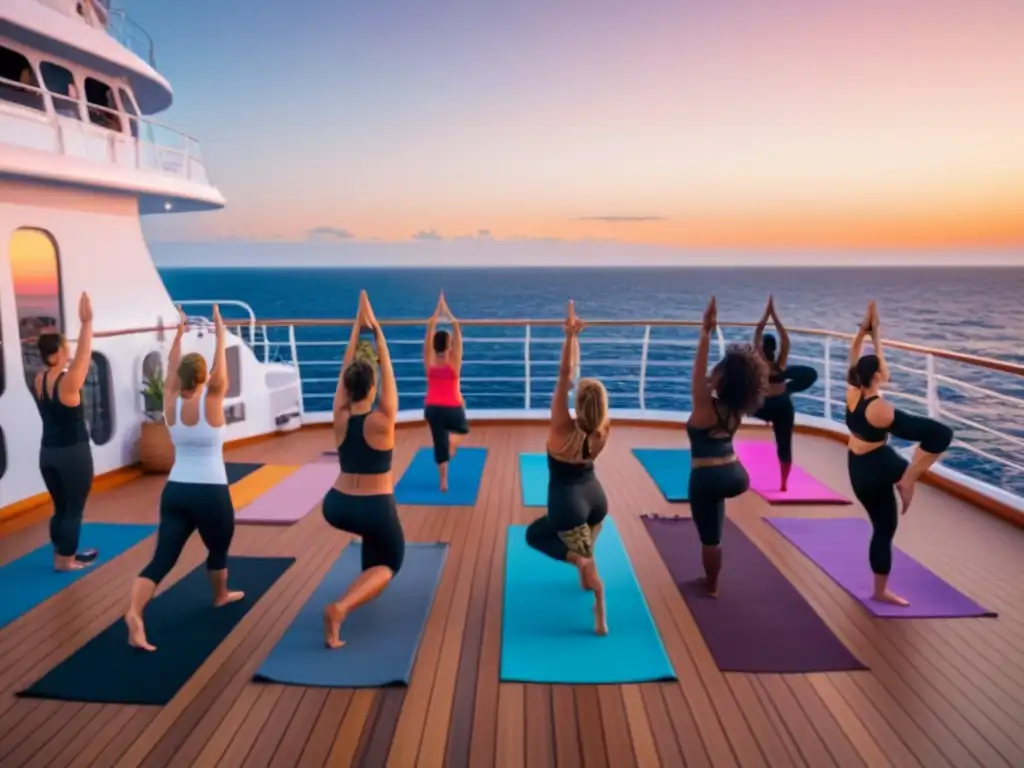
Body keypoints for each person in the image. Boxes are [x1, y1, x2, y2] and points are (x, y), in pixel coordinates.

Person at [125, 306, 242, 651]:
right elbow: (221, 368)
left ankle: (134, 612)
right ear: (204, 378)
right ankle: (220, 596)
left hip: (175, 491)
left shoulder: (170, 400)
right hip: (210, 493)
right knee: (218, 548)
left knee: (162, 558)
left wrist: (178, 334)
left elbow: (173, 367)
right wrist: (220, 331)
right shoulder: (213, 397)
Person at [845, 300, 953, 606]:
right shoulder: (881, 410)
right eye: (882, 368)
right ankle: (906, 481)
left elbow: (856, 359)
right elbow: (931, 434)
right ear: (878, 376)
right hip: (875, 467)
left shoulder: (852, 393)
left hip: (858, 465)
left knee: (897, 470)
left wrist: (869, 332)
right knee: (941, 435)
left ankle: (906, 478)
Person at [525, 300, 611, 635]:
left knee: (535, 535)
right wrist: (576, 337)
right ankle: (591, 587)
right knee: (586, 541)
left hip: (567, 505)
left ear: (577, 404)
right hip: (596, 501)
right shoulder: (603, 430)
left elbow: (565, 376)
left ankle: (585, 568)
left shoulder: (561, 427)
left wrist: (569, 336)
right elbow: (582, 392)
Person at [322, 291, 403, 648]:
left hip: (337, 506)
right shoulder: (383, 420)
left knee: (374, 542)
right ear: (372, 386)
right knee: (390, 562)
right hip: (373, 507)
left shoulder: (339, 416)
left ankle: (358, 585)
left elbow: (344, 374)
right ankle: (341, 608)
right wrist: (378, 333)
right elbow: (387, 370)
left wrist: (357, 328)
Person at [687, 296, 769, 597]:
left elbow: (698, 373)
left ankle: (711, 586)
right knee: (715, 520)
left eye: (718, 370)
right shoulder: (736, 407)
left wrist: (705, 332)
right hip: (735, 474)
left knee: (710, 537)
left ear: (722, 378)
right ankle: (712, 582)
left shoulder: (704, 406)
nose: (713, 373)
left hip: (707, 477)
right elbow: (708, 378)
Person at [33, 291, 97, 571]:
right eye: (65, 347)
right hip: (72, 455)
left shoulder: (39, 379)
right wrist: (86, 323)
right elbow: (84, 355)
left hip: (47, 454)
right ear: (56, 353)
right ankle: (66, 561)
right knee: (74, 511)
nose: (70, 350)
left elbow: (77, 357)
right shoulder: (68, 383)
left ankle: (61, 555)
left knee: (60, 508)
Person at [752, 296, 818, 491]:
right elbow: (785, 338)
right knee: (784, 445)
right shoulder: (780, 362)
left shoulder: (759, 360)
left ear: (762, 347)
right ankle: (783, 485)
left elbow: (757, 332)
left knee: (737, 405)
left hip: (762, 406)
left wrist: (767, 314)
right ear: (775, 349)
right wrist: (776, 317)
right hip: (782, 405)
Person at [423, 292, 469, 492]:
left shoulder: (429, 362)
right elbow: (457, 329)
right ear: (449, 345)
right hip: (452, 409)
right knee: (462, 430)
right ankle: (452, 442)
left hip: (432, 409)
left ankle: (443, 481)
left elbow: (429, 330)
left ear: (434, 346)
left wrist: (436, 311)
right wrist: (447, 310)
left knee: (438, 443)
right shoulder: (454, 362)